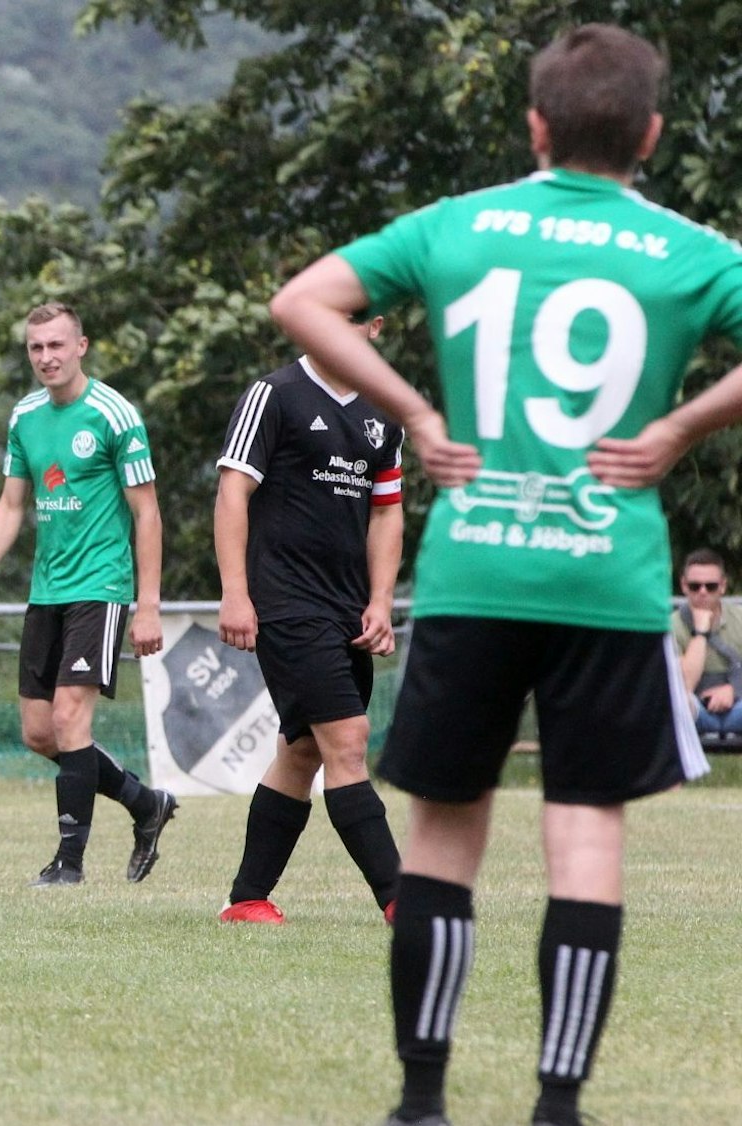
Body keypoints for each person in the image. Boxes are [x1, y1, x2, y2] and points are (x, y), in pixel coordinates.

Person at [269, 24, 742, 1126]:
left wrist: (416, 413)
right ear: (650, 135)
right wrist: (678, 426)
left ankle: (421, 1101)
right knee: (582, 837)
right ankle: (556, 1106)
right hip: (606, 582)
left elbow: (300, 301)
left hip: (479, 571)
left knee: (441, 836)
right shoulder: (686, 250)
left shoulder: (457, 227)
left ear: (533, 124)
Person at [0, 302, 178, 887]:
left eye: (56, 345)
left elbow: (146, 513)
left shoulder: (113, 414)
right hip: (46, 589)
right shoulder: (25, 416)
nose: (46, 357)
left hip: (101, 587)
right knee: (39, 733)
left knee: (71, 717)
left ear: (81, 346)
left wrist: (146, 606)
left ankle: (67, 865)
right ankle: (145, 804)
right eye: (36, 348)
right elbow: (10, 505)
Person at [213, 316, 406, 925]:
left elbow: (387, 513)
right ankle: (403, 900)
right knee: (347, 744)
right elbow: (232, 493)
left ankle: (246, 899)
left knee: (302, 753)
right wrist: (236, 594)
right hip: (286, 603)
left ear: (373, 327)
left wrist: (379, 600)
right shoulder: (273, 394)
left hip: (347, 608)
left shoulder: (385, 409)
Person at [672, 548, 742, 742]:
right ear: (684, 586)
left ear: (722, 586)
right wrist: (701, 633)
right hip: (694, 711)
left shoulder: (739, 619)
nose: (703, 592)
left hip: (738, 707)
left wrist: (733, 690)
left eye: (710, 586)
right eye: (695, 586)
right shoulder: (672, 626)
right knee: (676, 705)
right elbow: (684, 686)